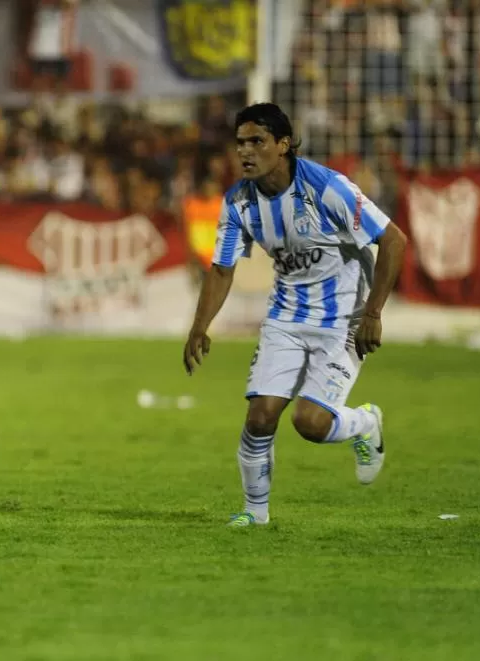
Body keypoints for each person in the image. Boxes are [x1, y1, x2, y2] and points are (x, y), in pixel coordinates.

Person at [183, 102, 408, 527]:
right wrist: (199, 327)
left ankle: (363, 423)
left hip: (344, 318)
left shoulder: (327, 188)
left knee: (310, 421)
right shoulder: (239, 203)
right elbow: (222, 268)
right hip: (286, 315)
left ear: (283, 145)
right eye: (240, 144)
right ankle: (255, 515)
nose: (245, 152)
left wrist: (374, 313)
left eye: (257, 142)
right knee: (260, 414)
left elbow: (394, 241)